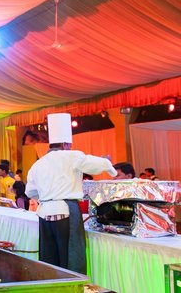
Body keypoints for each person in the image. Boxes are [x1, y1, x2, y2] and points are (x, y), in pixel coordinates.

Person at [26, 113, 117, 274]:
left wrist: (47, 198)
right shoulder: (72, 156)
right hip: (66, 211)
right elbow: (95, 164)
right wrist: (108, 164)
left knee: (49, 257)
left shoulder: (38, 164)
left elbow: (30, 191)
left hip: (44, 213)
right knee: (71, 257)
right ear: (66, 144)